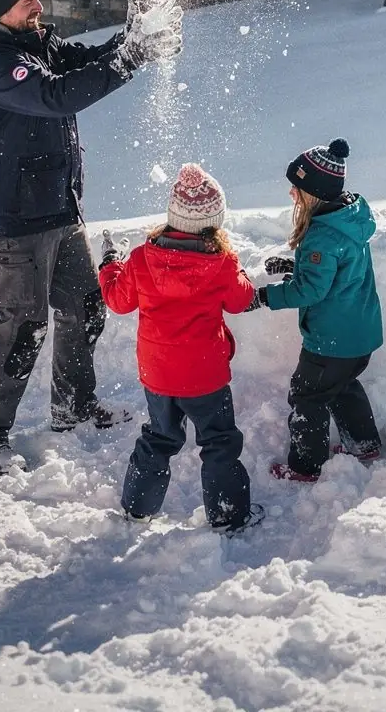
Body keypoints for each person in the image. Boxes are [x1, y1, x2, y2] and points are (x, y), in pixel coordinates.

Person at [0, 0, 183, 475]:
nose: (38, 6)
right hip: (15, 216)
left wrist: (135, 37)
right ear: (0, 10)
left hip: (58, 203)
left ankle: (73, 406)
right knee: (23, 326)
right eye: (27, 0)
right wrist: (134, 57)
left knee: (85, 305)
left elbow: (85, 60)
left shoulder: (30, 40)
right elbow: (58, 95)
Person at [98, 163, 264, 535]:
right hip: (205, 375)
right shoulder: (220, 262)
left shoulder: (142, 257)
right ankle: (227, 516)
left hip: (158, 374)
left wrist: (109, 265)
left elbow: (118, 300)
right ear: (214, 223)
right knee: (219, 442)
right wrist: (243, 273)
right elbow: (240, 300)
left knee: (159, 437)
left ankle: (138, 510)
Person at [252, 138, 383, 483]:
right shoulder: (347, 221)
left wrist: (264, 297)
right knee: (342, 385)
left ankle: (305, 467)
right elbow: (336, 275)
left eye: (296, 188)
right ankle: (364, 444)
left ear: (313, 192)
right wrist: (298, 265)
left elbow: (310, 289)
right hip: (360, 335)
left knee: (307, 396)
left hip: (331, 342)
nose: (291, 195)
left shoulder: (322, 237)